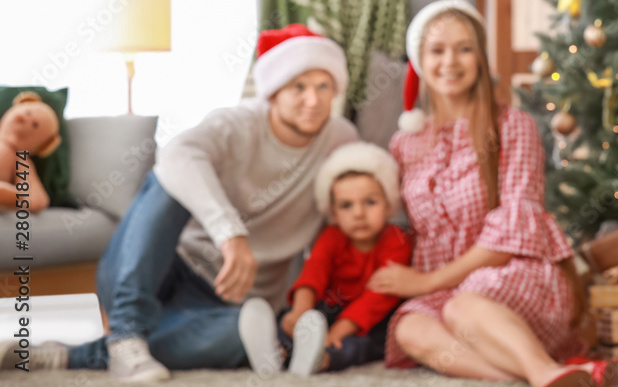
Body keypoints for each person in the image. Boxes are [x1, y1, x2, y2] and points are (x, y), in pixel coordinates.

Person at [0, 24, 359, 382]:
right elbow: (177, 155)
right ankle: (127, 329)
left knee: (253, 335)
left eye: (323, 87)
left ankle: (84, 352)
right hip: (157, 268)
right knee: (169, 175)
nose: (313, 100)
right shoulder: (236, 124)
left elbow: (359, 203)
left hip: (226, 301)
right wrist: (230, 234)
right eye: (299, 86)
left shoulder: (341, 141)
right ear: (274, 90)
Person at [365, 0, 618, 387]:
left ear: (480, 57)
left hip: (514, 276)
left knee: (464, 306)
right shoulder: (405, 143)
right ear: (419, 60)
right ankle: (543, 377)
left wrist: (427, 283)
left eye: (464, 49)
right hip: (448, 292)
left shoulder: (513, 126)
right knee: (410, 328)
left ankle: (543, 370)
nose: (450, 61)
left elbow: (511, 233)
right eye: (437, 50)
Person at [238, 141, 412, 376]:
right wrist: (299, 311)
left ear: (389, 204)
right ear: (333, 212)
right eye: (346, 205)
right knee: (292, 321)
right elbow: (313, 273)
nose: (359, 213)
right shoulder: (332, 236)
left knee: (360, 346)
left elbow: (378, 298)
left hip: (370, 319)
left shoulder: (396, 240)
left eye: (370, 202)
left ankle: (321, 359)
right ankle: (275, 353)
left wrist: (339, 331)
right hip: (326, 311)